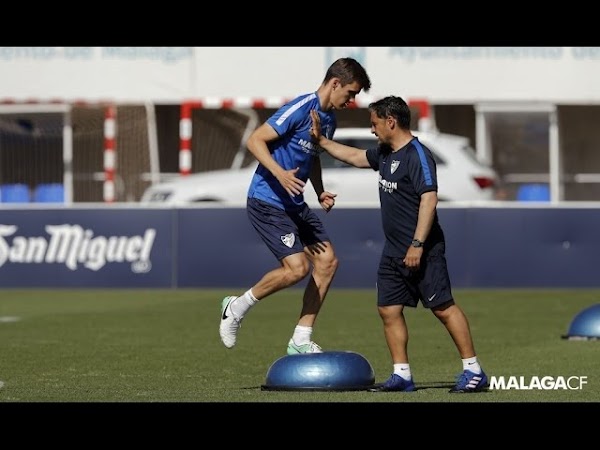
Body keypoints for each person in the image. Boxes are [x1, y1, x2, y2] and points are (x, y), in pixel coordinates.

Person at [309, 96, 488, 393]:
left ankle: (474, 371)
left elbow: (429, 199)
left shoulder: (418, 155)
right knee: (388, 310)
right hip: (393, 251)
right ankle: (402, 375)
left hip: (423, 249)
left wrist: (417, 244)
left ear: (390, 122)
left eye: (374, 123)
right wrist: (322, 142)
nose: (372, 130)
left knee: (443, 308)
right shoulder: (385, 152)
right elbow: (355, 157)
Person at [219, 57, 372, 355]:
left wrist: (320, 190)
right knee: (297, 268)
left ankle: (300, 338)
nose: (351, 101)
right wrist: (278, 172)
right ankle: (235, 308)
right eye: (351, 93)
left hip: (295, 203)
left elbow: (312, 156)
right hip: (267, 200)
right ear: (335, 83)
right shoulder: (300, 108)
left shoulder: (329, 121)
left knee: (327, 262)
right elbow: (255, 140)